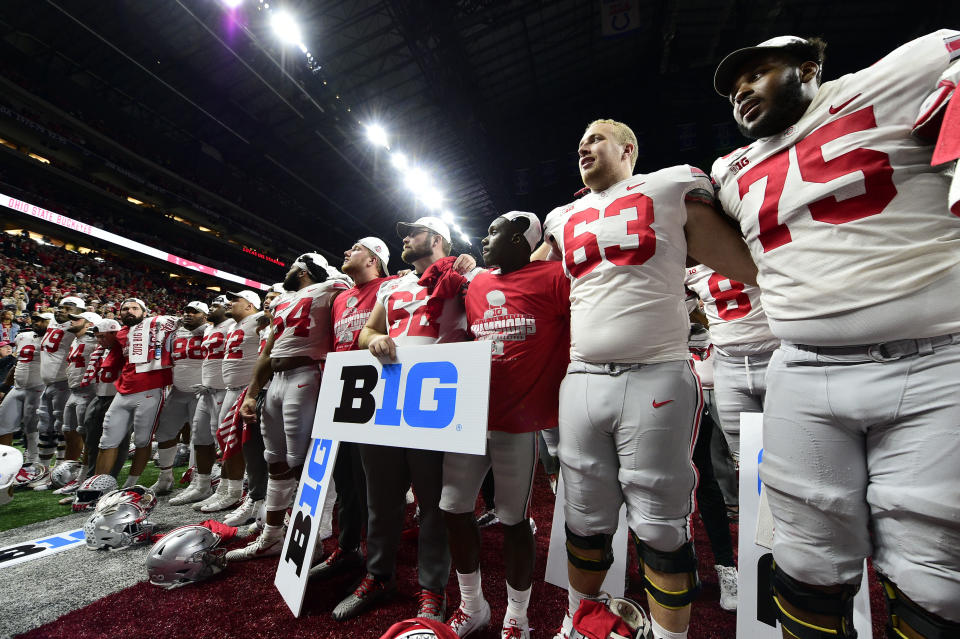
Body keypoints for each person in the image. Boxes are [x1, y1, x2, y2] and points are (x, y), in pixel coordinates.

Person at [710, 31, 960, 638]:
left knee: (935, 583)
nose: (742, 90)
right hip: (800, 367)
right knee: (801, 563)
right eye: (733, 87)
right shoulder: (728, 171)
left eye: (757, 73)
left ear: (809, 66)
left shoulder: (899, 74)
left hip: (935, 363)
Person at [535, 119, 757, 639]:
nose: (583, 146)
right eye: (580, 141)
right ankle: (578, 621)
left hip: (656, 372)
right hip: (583, 378)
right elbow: (529, 282)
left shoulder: (669, 184)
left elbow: (747, 262)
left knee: (659, 525)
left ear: (629, 148)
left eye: (595, 138)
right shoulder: (562, 216)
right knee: (584, 521)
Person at [443, 212, 569, 639]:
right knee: (453, 509)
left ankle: (518, 615)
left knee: (515, 519)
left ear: (520, 237)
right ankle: (472, 605)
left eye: (495, 229)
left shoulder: (555, 276)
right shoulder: (476, 283)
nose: (484, 236)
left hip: (519, 419)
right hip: (470, 414)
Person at [339, 217, 470, 622]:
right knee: (381, 498)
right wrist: (373, 338)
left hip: (436, 397)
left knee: (434, 504)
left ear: (436, 239)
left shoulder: (465, 275)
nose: (406, 239)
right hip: (388, 394)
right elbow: (367, 332)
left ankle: (432, 588)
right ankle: (379, 575)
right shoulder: (393, 285)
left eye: (412, 232)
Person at [230, 254, 349, 560]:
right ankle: (271, 536)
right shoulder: (284, 300)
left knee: (304, 464)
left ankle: (314, 538)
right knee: (275, 461)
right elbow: (268, 350)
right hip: (277, 380)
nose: (287, 271)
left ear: (306, 269)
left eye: (294, 266)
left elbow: (350, 283)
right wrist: (252, 393)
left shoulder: (329, 287)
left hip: (307, 375)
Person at [311, 238, 393, 582]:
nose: (346, 251)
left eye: (356, 248)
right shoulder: (340, 298)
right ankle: (347, 548)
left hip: (376, 392)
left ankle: (378, 564)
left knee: (374, 484)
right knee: (344, 479)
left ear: (374, 259)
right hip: (339, 391)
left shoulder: (391, 286)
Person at [684, 263, 778, 461]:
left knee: (792, 449)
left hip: (776, 356)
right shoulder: (688, 263)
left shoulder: (753, 247)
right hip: (728, 364)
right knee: (747, 462)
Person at [93, 298, 178, 487]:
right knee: (107, 440)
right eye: (125, 308)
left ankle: (130, 485)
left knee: (142, 439)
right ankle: (97, 486)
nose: (129, 311)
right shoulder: (122, 333)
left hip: (151, 389)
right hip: (123, 391)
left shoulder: (159, 324)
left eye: (134, 308)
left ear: (145, 312)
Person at [198, 290, 263, 513]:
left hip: (248, 390)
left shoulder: (259, 318)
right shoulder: (235, 325)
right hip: (231, 389)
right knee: (224, 438)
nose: (230, 302)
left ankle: (236, 492)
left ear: (250, 305)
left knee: (238, 442)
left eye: (236, 300)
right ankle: (225, 489)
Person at [170, 296, 231, 505]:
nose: (212, 309)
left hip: (227, 389)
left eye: (216, 306)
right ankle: (201, 484)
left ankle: (228, 488)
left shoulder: (235, 325)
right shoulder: (209, 329)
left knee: (224, 442)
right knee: (199, 436)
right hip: (207, 389)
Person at [151, 301, 208, 495]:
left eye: (195, 312)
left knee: (200, 437)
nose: (188, 314)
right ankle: (165, 477)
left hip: (202, 391)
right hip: (177, 390)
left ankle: (198, 478)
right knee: (165, 432)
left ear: (205, 316)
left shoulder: (211, 330)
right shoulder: (175, 332)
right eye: (186, 311)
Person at [33, 296, 83, 487]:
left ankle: (61, 472)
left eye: (68, 307)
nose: (61, 310)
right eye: (60, 307)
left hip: (64, 383)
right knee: (45, 427)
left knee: (65, 428)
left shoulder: (76, 327)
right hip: (49, 384)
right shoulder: (54, 322)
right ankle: (43, 470)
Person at [54, 310, 102, 492]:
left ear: (90, 323)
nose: (72, 321)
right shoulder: (76, 339)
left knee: (86, 435)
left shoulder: (95, 340)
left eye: (77, 319)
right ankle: (70, 474)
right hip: (74, 390)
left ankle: (85, 476)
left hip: (89, 391)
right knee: (69, 432)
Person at [0, 314, 46, 457]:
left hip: (38, 387)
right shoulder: (22, 337)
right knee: (3, 425)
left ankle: (33, 461)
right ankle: (4, 460)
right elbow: (18, 364)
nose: (36, 322)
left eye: (41, 320)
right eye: (36, 320)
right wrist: (4, 387)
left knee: (32, 428)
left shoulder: (57, 339)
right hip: (18, 387)